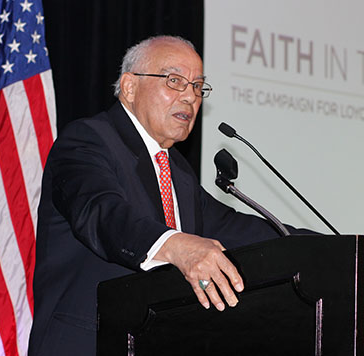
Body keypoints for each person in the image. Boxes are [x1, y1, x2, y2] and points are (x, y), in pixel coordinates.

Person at [27, 35, 290, 355]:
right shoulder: (87, 141)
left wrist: (341, 248)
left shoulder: (177, 171)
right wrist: (176, 246)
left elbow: (243, 231)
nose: (190, 97)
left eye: (197, 86)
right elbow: (102, 213)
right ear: (129, 87)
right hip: (89, 344)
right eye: (175, 80)